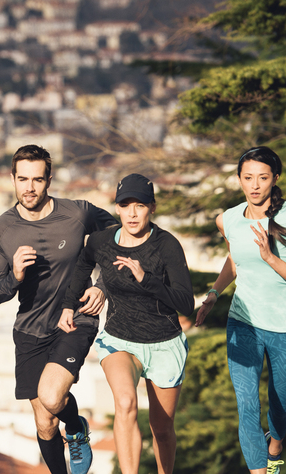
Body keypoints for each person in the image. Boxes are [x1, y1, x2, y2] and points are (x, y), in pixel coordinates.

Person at [0, 144, 118, 474]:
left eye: (37, 180)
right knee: (44, 423)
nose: (29, 188)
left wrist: (102, 286)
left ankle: (74, 427)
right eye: (23, 179)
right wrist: (14, 276)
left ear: (49, 180)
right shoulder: (1, 229)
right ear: (12, 178)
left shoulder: (78, 213)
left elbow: (119, 238)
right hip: (29, 329)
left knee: (51, 397)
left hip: (77, 318)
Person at [59, 173, 194, 474]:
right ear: (117, 208)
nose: (132, 213)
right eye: (125, 205)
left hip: (164, 344)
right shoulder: (101, 241)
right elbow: (82, 268)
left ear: (152, 208)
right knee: (125, 402)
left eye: (140, 205)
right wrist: (69, 306)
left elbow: (186, 303)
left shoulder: (167, 246)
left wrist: (148, 279)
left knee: (161, 427)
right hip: (119, 339)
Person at [195, 146, 286, 474]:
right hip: (243, 321)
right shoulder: (228, 219)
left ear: (275, 178)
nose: (255, 185)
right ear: (239, 180)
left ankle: (275, 444)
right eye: (248, 178)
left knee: (279, 403)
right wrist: (214, 293)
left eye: (263, 178)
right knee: (247, 404)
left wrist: (271, 258)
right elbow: (235, 260)